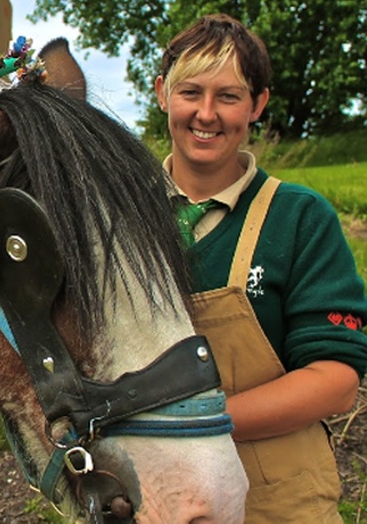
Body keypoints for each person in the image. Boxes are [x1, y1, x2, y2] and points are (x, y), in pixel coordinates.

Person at [154, 13, 367, 523]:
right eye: (190, 92)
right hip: (152, 492)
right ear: (162, 93)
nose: (206, 114)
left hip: (276, 498)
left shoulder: (298, 218)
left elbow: (336, 379)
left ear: (257, 105)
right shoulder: (116, 215)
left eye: (228, 96)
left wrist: (187, 421)